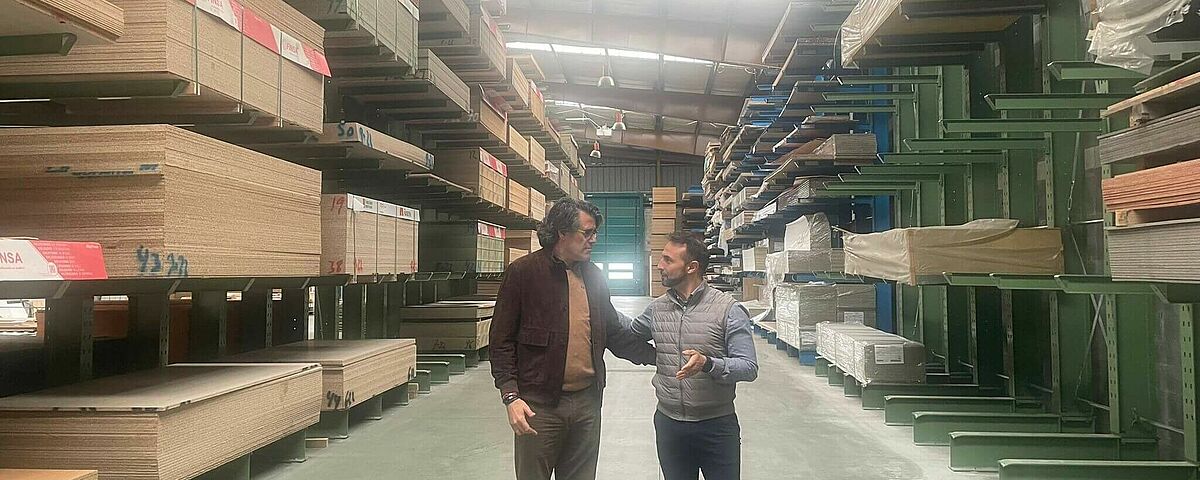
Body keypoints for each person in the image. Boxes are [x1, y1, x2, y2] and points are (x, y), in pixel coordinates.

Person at [490, 198, 656, 480]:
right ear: (562, 233)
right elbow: (500, 341)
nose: (594, 240)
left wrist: (659, 356)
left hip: (587, 403)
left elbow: (613, 334)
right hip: (539, 406)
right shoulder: (523, 273)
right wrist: (511, 396)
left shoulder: (594, 276)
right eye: (587, 233)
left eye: (595, 233)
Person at [625, 231, 759, 480]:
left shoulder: (728, 310)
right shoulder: (657, 309)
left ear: (691, 267)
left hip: (716, 427)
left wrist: (708, 364)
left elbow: (748, 367)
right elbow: (630, 335)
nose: (659, 265)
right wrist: (657, 356)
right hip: (669, 424)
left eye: (668, 260)